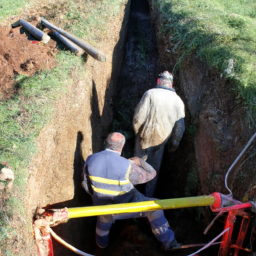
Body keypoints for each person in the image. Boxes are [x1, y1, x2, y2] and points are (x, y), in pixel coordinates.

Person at [82, 132, 179, 250]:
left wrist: (96, 197)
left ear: (106, 143)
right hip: (125, 207)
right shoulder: (127, 166)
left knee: (103, 223)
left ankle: (101, 246)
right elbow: (151, 174)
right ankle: (169, 242)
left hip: (102, 208)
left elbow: (86, 185)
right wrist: (139, 161)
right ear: (121, 147)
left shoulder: (91, 159)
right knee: (155, 209)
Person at [133, 71, 185, 197]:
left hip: (143, 140)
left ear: (158, 81)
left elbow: (138, 118)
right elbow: (180, 127)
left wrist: (137, 133)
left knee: (136, 167)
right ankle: (148, 199)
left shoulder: (150, 94)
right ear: (171, 84)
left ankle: (131, 195)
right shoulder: (178, 101)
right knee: (153, 171)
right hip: (160, 143)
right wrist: (173, 145)